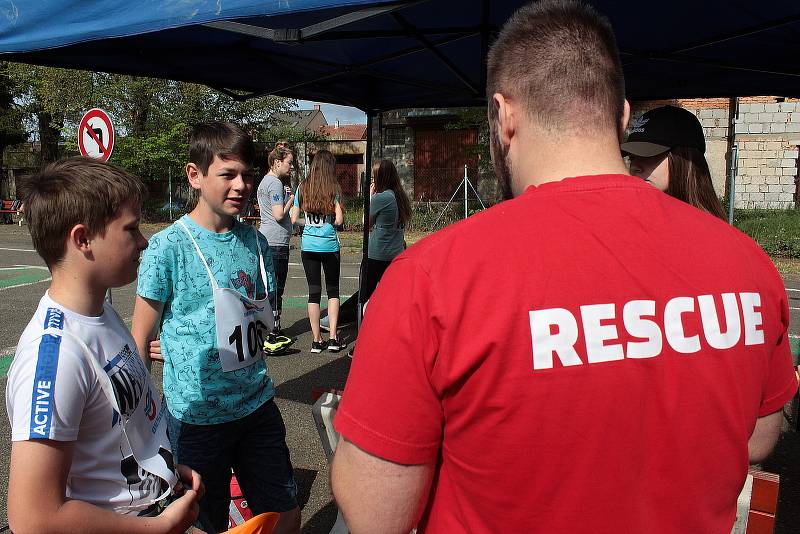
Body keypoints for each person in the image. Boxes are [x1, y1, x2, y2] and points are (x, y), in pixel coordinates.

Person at [330, 1, 797, 533]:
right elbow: (760, 436)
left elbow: (375, 515)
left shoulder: (431, 277)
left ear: (504, 116)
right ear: (621, 116)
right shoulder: (747, 262)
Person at [6, 157, 203, 534]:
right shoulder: (55, 357)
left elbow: (119, 436)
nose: (144, 240)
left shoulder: (103, 313)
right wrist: (156, 527)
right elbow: (34, 518)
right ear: (83, 240)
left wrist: (165, 474)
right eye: (131, 229)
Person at [131, 122, 300, 534]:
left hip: (257, 406)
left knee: (284, 509)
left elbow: (256, 320)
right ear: (195, 175)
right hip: (196, 420)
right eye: (228, 174)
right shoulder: (167, 247)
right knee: (204, 521)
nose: (241, 185)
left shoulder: (257, 243)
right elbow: (141, 337)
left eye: (246, 174)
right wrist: (141, 431)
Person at [622, 105, 727, 220]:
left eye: (647, 155)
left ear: (684, 159)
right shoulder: (629, 218)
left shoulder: (708, 230)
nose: (634, 167)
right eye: (632, 158)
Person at [290, 149, 346, 353]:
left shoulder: (302, 187)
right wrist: (328, 221)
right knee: (333, 291)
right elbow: (339, 220)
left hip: (309, 247)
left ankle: (316, 340)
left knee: (313, 293)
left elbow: (294, 219)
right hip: (329, 246)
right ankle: (332, 338)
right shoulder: (334, 188)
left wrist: (310, 223)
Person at [257, 142, 295, 343]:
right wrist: (291, 199)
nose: (291, 167)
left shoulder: (264, 181)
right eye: (289, 163)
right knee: (276, 287)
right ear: (277, 162)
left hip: (268, 238)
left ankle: (269, 327)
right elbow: (279, 214)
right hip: (276, 241)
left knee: (269, 285)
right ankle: (273, 330)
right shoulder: (275, 184)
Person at [362, 159, 411, 303]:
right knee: (392, 293)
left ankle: (351, 318)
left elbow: (366, 224)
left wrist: (371, 197)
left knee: (366, 293)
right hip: (396, 251)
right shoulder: (400, 196)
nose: (372, 180)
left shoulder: (381, 198)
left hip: (379, 253)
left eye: (374, 177)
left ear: (380, 178)